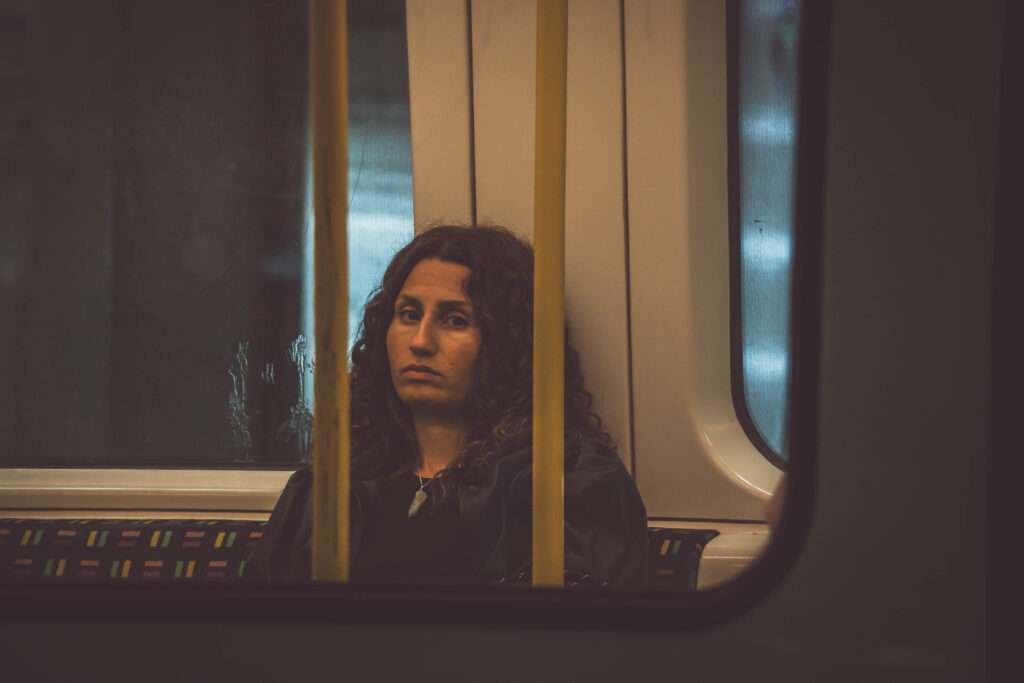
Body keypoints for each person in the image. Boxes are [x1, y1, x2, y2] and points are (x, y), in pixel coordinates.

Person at [246, 225, 648, 587]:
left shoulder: (565, 483)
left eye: (455, 320)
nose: (420, 342)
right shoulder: (332, 483)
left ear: (506, 345)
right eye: (408, 314)